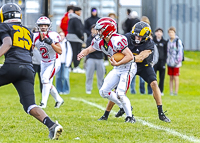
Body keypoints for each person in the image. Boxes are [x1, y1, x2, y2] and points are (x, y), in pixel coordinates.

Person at [0, 3, 63, 139]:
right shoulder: (27, 31)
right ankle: (52, 125)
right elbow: (28, 51)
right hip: (28, 68)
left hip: (12, 65)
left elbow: (8, 43)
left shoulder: (4, 26)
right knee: (30, 105)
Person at [98, 21, 171, 123]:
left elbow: (141, 57)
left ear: (146, 36)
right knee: (119, 90)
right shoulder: (126, 37)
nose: (137, 38)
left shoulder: (149, 43)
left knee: (154, 83)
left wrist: (128, 57)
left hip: (143, 65)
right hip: (128, 65)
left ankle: (161, 113)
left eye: (140, 37)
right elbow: (115, 49)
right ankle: (106, 114)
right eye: (135, 35)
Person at [77, 17, 137, 123]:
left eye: (100, 29)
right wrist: (82, 53)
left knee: (120, 93)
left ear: (107, 30)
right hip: (117, 67)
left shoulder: (117, 40)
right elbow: (90, 48)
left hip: (128, 67)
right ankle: (123, 106)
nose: (98, 32)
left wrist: (117, 62)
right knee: (104, 91)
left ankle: (130, 117)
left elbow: (130, 56)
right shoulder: (100, 40)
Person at [33, 16, 64, 109]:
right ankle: (59, 100)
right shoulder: (35, 36)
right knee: (46, 82)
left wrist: (51, 43)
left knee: (45, 80)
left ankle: (43, 103)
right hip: (43, 61)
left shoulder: (53, 35)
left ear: (48, 26)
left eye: (45, 25)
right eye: (41, 25)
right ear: (38, 26)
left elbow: (60, 51)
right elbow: (30, 49)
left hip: (54, 61)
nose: (43, 27)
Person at [85, 24, 104, 94]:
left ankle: (101, 88)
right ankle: (88, 89)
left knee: (101, 75)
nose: (95, 31)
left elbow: (101, 48)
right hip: (91, 58)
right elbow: (89, 48)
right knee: (89, 74)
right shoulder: (89, 39)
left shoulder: (101, 38)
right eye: (93, 29)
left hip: (99, 58)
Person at [67, 6, 85, 73]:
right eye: (79, 11)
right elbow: (78, 30)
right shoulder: (76, 19)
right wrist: (81, 36)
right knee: (76, 53)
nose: (80, 13)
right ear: (76, 11)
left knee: (70, 53)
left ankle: (69, 67)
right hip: (76, 39)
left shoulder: (70, 19)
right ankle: (76, 67)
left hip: (69, 38)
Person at [166, 27, 183, 95]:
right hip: (169, 62)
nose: (171, 34)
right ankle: (171, 91)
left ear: (174, 33)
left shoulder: (178, 41)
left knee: (176, 77)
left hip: (176, 63)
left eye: (172, 32)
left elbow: (180, 52)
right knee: (171, 77)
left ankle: (176, 92)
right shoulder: (168, 41)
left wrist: (177, 61)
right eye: (170, 32)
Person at [153, 28, 167, 95]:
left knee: (161, 77)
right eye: (157, 32)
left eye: (160, 32)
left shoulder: (164, 42)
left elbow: (166, 52)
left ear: (162, 33)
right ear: (155, 33)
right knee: (153, 77)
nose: (159, 33)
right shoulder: (152, 41)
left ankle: (160, 91)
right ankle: (152, 91)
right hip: (154, 62)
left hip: (161, 62)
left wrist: (164, 61)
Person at [32, 28, 43, 93]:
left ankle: (43, 91)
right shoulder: (32, 42)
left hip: (41, 62)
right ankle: (30, 90)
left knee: (42, 79)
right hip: (33, 62)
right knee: (31, 78)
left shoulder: (42, 41)